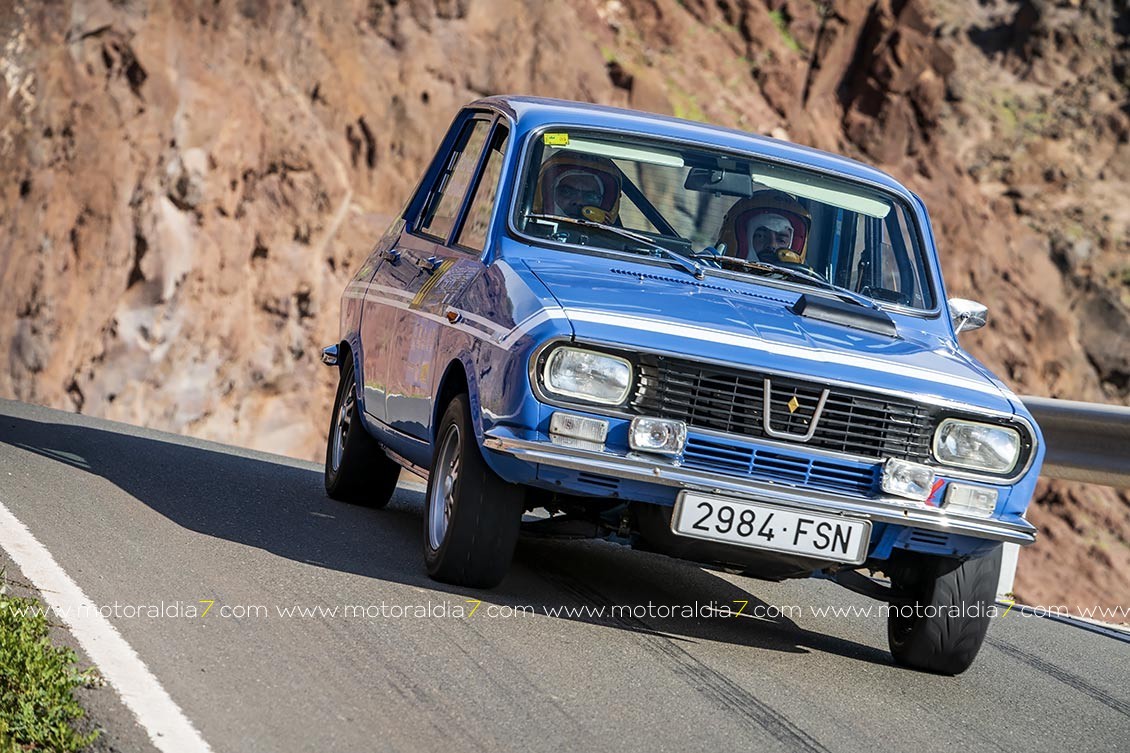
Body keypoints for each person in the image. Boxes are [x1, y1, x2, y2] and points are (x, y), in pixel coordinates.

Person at [716, 189, 811, 264]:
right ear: (743, 238)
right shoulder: (711, 273)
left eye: (781, 240)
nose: (772, 245)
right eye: (761, 236)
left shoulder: (803, 286)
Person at [532, 152, 622, 224]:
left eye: (590, 196)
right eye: (566, 192)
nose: (578, 201)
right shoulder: (520, 234)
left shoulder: (619, 244)